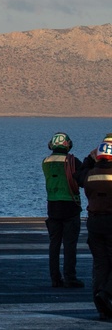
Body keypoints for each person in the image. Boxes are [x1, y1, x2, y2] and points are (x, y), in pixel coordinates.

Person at [42, 132, 84, 287]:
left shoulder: (45, 162)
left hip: (52, 206)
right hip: (70, 206)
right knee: (70, 244)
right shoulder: (73, 161)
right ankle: (70, 277)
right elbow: (81, 179)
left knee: (54, 244)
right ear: (68, 145)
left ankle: (55, 278)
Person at [78, 140, 112, 320]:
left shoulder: (90, 175)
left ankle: (101, 304)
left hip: (94, 223)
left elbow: (78, 176)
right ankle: (106, 294)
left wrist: (88, 159)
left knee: (100, 265)